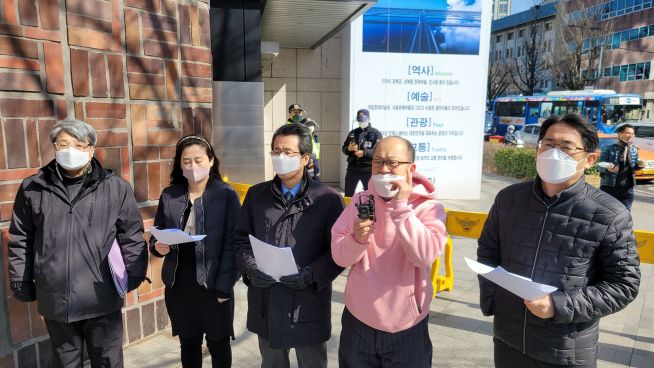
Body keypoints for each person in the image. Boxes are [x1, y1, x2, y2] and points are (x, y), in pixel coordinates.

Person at [477, 114, 641, 367]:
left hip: (566, 350)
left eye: (566, 147)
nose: (554, 153)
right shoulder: (508, 199)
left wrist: (558, 305)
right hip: (507, 339)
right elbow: (488, 251)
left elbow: (623, 285)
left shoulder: (610, 214)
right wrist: (493, 300)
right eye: (548, 144)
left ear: (590, 159)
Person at [8, 118, 148, 368]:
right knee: (64, 362)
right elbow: (21, 237)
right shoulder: (33, 188)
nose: (70, 151)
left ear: (91, 149)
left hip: (101, 295)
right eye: (63, 144)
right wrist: (20, 278)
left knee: (107, 361)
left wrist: (135, 272)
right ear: (54, 147)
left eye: (79, 145)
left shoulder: (115, 188)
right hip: (55, 297)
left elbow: (131, 234)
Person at [331, 136, 448, 367]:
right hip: (358, 319)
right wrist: (357, 238)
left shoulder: (428, 207)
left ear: (411, 168)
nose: (384, 169)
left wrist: (402, 208)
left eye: (392, 163)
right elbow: (339, 256)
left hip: (407, 324)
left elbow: (424, 255)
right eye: (378, 162)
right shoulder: (361, 201)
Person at [234, 123, 344, 368]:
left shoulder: (327, 199)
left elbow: (338, 251)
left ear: (305, 158)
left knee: (312, 362)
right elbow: (240, 240)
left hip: (307, 303)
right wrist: (250, 269)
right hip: (267, 299)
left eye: (288, 152)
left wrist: (311, 275)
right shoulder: (256, 195)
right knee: (272, 362)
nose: (280, 157)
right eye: (275, 151)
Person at [149, 135, 240, 368]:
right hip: (180, 284)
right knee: (188, 343)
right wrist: (157, 247)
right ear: (180, 165)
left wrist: (224, 285)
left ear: (211, 161)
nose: (193, 166)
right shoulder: (170, 195)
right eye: (186, 161)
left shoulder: (225, 195)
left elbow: (234, 244)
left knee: (219, 344)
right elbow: (156, 234)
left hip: (214, 284)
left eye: (198, 160)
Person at [598, 123, 642, 210]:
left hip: (627, 190)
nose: (630, 135)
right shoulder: (608, 148)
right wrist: (608, 169)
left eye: (632, 134)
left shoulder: (634, 149)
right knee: (606, 214)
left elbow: (634, 167)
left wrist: (640, 166)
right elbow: (599, 166)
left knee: (625, 216)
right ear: (620, 134)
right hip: (609, 188)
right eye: (628, 133)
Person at [342, 109, 383, 197]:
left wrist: (364, 153)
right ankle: (348, 210)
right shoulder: (353, 133)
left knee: (371, 195)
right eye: (359, 120)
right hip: (352, 169)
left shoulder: (376, 134)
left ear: (368, 119)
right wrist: (348, 149)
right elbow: (344, 149)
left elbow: (379, 152)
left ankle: (371, 211)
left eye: (363, 120)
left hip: (368, 170)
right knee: (348, 195)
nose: (361, 122)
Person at [300, 117, 321, 181]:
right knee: (309, 178)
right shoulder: (304, 136)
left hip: (315, 160)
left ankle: (316, 190)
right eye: (308, 124)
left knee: (316, 177)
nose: (311, 126)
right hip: (308, 160)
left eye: (312, 124)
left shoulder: (315, 136)